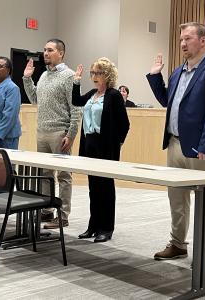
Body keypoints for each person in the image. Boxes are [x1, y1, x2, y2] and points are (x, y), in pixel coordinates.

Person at [146, 22, 205, 266]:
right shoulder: (176, 72)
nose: (183, 43)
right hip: (175, 144)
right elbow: (167, 101)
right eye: (181, 39)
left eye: (188, 38)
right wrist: (155, 77)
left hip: (202, 150)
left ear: (203, 41)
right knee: (177, 198)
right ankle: (177, 244)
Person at [23, 38, 81, 229]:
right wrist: (27, 78)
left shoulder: (69, 76)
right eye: (44, 50)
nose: (45, 53)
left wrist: (71, 134)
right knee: (45, 174)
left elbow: (76, 109)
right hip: (42, 131)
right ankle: (47, 210)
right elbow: (34, 99)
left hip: (60, 132)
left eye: (49, 50)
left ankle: (63, 215)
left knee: (64, 175)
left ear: (61, 53)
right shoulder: (43, 76)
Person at [72, 58, 130, 242]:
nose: (94, 77)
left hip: (105, 147)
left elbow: (125, 124)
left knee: (105, 188)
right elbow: (76, 101)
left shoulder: (113, 95)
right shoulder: (92, 93)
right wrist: (76, 81)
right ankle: (93, 225)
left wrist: (117, 144)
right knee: (93, 188)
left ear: (107, 75)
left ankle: (106, 228)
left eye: (98, 73)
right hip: (89, 144)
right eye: (93, 73)